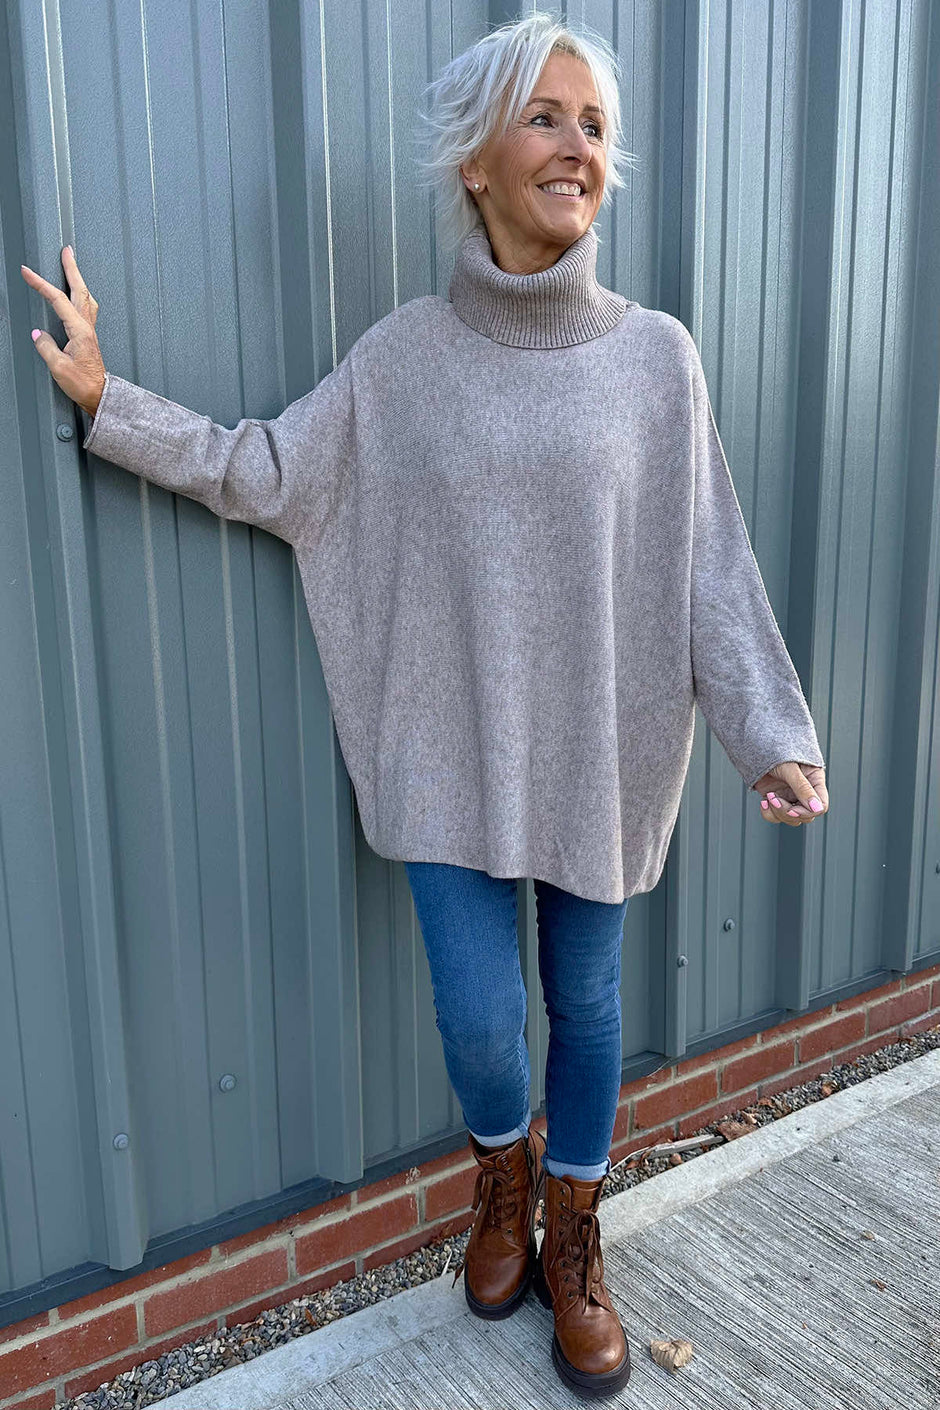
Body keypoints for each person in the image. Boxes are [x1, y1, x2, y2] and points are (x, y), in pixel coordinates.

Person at [21, 10, 829, 1399]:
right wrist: (111, 405)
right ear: (475, 162)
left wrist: (771, 731)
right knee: (477, 1017)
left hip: (599, 753)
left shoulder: (657, 360)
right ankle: (501, 1183)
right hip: (448, 753)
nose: (576, 146)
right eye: (544, 118)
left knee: (586, 1004)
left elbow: (711, 558)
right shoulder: (401, 360)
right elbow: (270, 470)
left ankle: (576, 1237)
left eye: (594, 125)